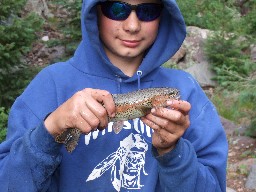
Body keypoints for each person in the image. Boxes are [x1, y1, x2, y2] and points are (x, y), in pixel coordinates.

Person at [0, 0, 228, 191]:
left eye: (147, 11)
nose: (132, 25)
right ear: (95, 10)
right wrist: (50, 130)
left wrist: (172, 152)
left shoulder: (187, 90)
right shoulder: (50, 84)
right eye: (117, 9)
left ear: (163, 15)